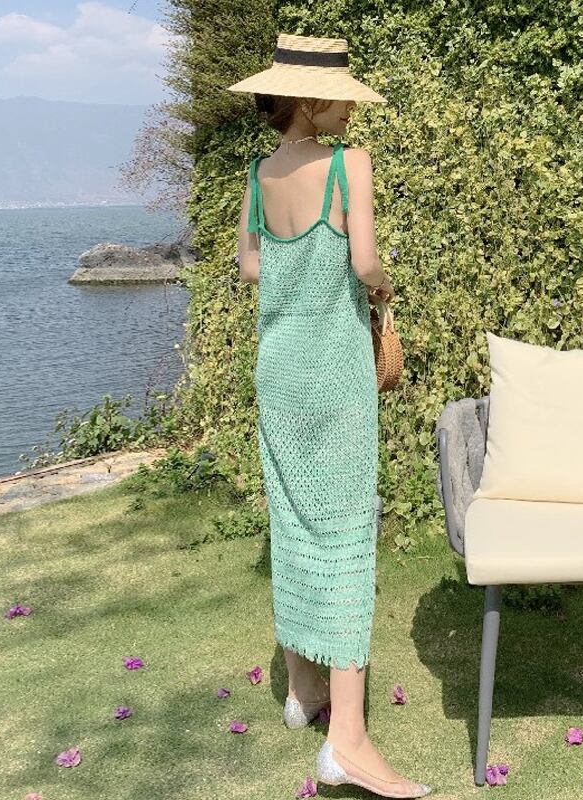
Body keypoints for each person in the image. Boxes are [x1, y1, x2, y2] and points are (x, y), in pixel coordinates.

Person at [228, 33, 431, 799]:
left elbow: (251, 266)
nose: (350, 109)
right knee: (346, 535)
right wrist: (381, 289)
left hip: (279, 376)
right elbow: (364, 260)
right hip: (336, 377)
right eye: (342, 98)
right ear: (311, 99)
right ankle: (346, 740)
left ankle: (301, 690)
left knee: (293, 524)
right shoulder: (351, 165)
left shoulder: (258, 175)